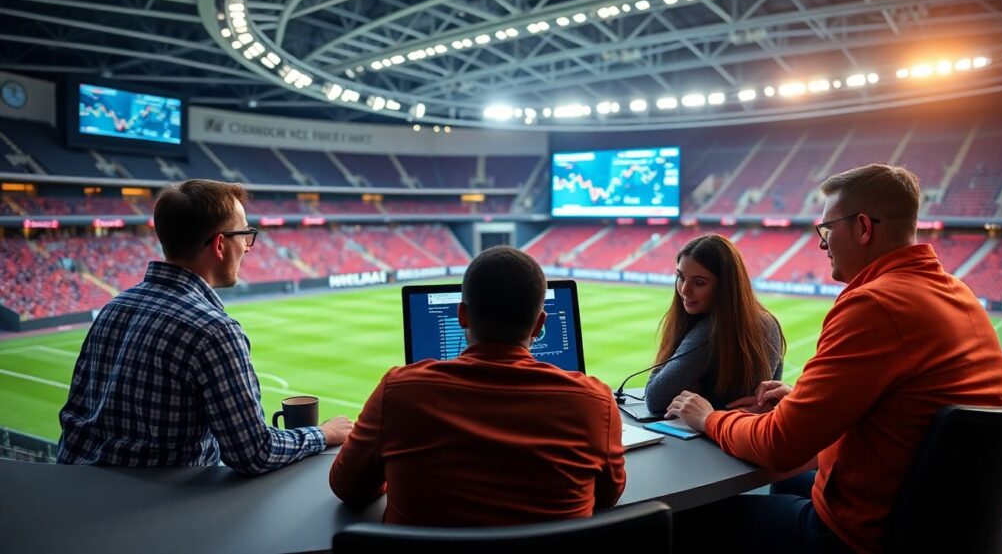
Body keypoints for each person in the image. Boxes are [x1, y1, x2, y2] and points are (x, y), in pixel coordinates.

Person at [667, 164, 1002, 553]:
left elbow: (780, 445)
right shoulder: (958, 293)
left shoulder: (874, 304)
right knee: (788, 485)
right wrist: (805, 400)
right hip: (941, 525)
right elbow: (901, 406)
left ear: (863, 228)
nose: (822, 244)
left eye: (827, 230)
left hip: (862, 537)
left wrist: (708, 417)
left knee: (687, 521)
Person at [57, 179, 353, 474]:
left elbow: (75, 417)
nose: (248, 248)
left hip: (76, 495)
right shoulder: (213, 331)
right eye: (245, 235)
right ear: (220, 244)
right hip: (160, 509)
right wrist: (324, 433)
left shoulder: (113, 307)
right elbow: (254, 452)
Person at [329, 246, 626, 525]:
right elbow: (607, 496)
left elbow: (348, 486)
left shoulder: (398, 392)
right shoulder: (595, 402)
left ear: (462, 314)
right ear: (539, 324)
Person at [644, 234, 785, 414]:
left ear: (725, 286)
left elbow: (655, 397)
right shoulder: (769, 321)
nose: (685, 290)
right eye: (680, 277)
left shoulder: (709, 334)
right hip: (746, 434)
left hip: (709, 438)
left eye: (699, 282)